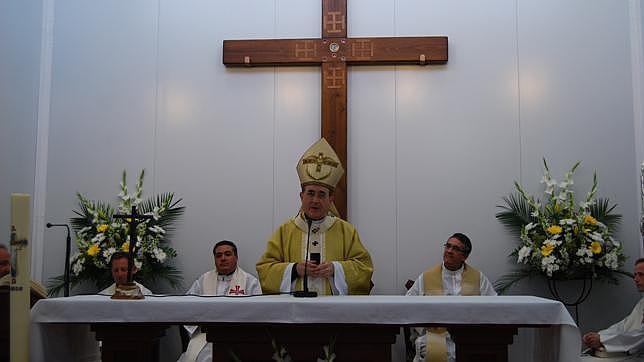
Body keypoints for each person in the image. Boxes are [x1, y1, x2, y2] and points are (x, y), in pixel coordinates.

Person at [256, 138, 374, 296]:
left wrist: (335, 269)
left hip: (334, 313)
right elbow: (265, 269)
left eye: (322, 194)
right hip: (295, 313)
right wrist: (294, 269)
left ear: (330, 199)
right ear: (301, 196)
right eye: (310, 193)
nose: (315, 200)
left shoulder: (346, 231)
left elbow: (364, 268)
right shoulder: (285, 231)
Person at [406, 233, 497, 362]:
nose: (449, 251)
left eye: (455, 248)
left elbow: (494, 305)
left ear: (464, 256)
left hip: (468, 335)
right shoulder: (427, 277)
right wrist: (426, 328)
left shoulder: (478, 278)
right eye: (448, 246)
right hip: (436, 334)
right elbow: (408, 304)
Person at [179, 240, 262, 362]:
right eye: (218, 255)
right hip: (206, 338)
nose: (223, 258)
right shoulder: (203, 280)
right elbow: (187, 307)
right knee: (202, 358)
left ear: (236, 257)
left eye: (227, 254)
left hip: (239, 337)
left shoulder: (250, 282)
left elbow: (258, 313)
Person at [582, 257, 644, 357]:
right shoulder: (642, 303)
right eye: (635, 275)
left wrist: (602, 339)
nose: (635, 279)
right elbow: (624, 326)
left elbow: (640, 336)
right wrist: (598, 336)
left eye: (641, 275)